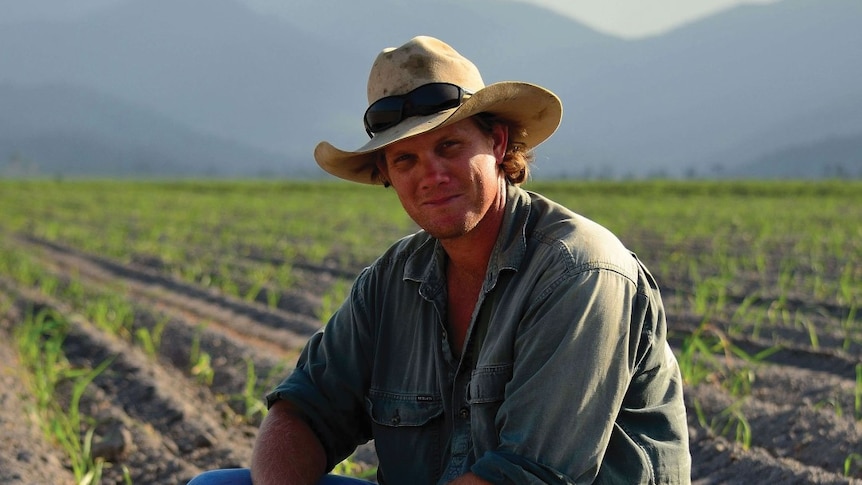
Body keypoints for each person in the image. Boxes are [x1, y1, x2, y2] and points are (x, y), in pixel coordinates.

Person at [189, 35, 691, 485]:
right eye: (405, 160)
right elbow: (304, 409)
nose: (432, 175)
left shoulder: (579, 271)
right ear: (386, 173)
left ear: (496, 144)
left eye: (448, 146)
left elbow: (531, 475)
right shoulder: (392, 281)